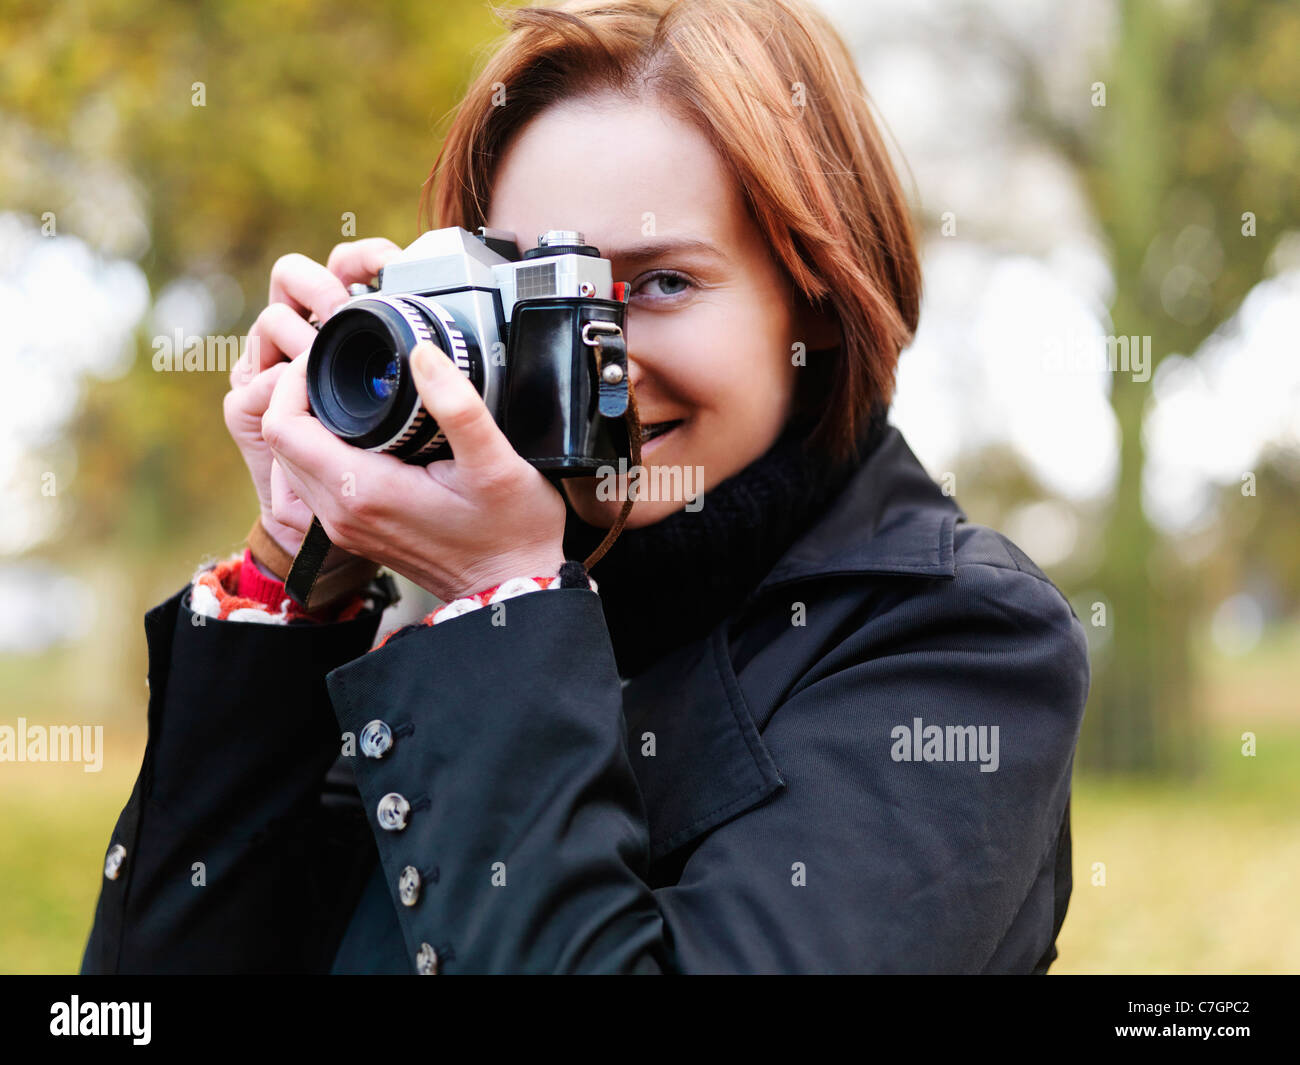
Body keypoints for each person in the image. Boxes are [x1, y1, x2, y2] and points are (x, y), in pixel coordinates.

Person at [80, 0, 1089, 975]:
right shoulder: (444, 633)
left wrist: (504, 599)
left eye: (658, 286)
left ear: (816, 296)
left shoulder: (957, 639)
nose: (588, 362)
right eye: (539, 295)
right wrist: (297, 580)